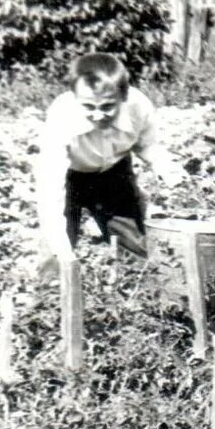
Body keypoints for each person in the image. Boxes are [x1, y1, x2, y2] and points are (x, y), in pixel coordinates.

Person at [35, 53, 187, 271]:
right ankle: (49, 301)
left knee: (135, 247)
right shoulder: (61, 117)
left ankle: (139, 297)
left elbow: (148, 144)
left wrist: (164, 167)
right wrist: (62, 250)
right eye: (88, 106)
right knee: (55, 255)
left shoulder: (139, 106)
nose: (98, 115)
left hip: (114, 174)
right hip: (69, 177)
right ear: (75, 96)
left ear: (123, 96)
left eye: (107, 106)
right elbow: (50, 191)